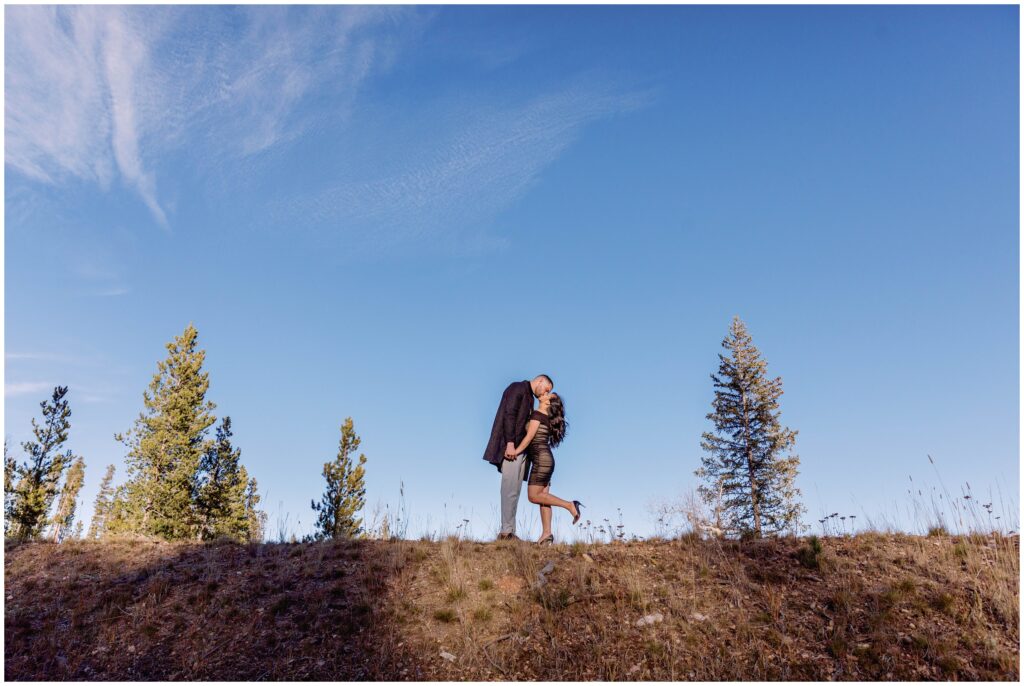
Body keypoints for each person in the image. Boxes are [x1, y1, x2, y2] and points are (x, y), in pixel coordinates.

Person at [483, 375, 553, 540]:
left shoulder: (529, 396)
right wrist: (509, 443)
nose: (545, 393)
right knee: (509, 489)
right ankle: (506, 532)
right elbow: (509, 414)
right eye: (547, 389)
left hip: (520, 450)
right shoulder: (518, 388)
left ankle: (509, 531)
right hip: (512, 448)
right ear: (540, 380)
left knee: (514, 491)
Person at [512, 391, 582, 544]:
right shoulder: (545, 416)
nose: (545, 393)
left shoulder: (538, 414)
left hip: (541, 459)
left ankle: (569, 505)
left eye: (548, 394)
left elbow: (529, 437)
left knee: (533, 496)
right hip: (546, 459)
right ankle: (547, 534)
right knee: (544, 498)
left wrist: (515, 452)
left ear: (548, 402)